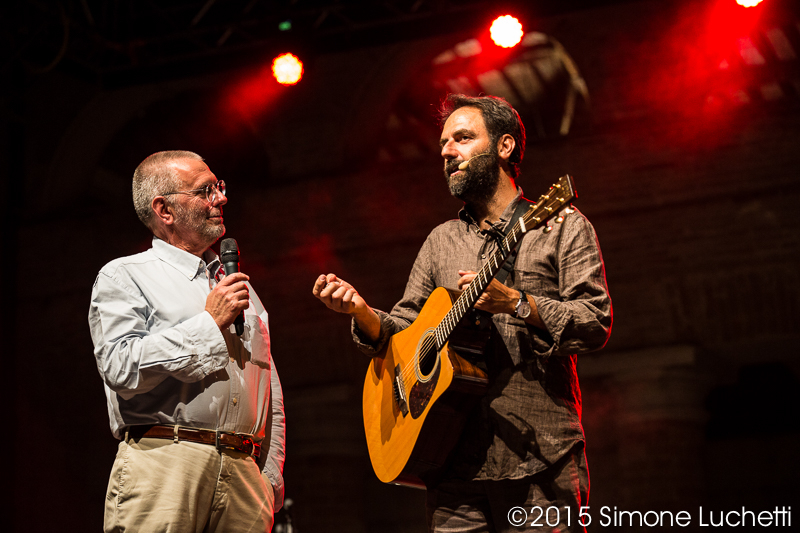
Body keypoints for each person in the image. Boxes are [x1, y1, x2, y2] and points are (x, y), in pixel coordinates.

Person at [312, 94, 611, 532]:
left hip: (539, 456)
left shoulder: (561, 224)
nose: (448, 152)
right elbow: (406, 329)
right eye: (443, 145)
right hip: (450, 460)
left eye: (464, 138)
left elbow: (595, 320)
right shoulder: (441, 240)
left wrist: (518, 304)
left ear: (505, 147)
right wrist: (361, 312)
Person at [89, 151, 285, 533]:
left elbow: (269, 392)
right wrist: (209, 324)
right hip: (165, 462)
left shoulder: (240, 289)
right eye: (205, 190)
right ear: (164, 210)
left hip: (246, 475)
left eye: (220, 187)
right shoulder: (125, 275)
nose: (221, 198)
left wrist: (270, 478)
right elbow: (120, 367)